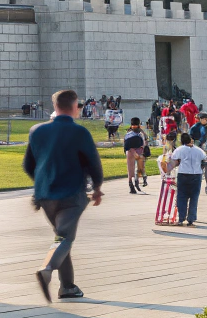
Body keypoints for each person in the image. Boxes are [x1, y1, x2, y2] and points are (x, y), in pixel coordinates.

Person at [24, 89, 104, 302]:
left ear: (55, 106)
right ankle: (47, 268)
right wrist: (97, 188)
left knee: (61, 237)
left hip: (45, 196)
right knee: (65, 237)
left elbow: (29, 165)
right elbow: (93, 162)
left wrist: (42, 184)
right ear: (75, 106)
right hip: (71, 193)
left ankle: (68, 286)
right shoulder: (79, 132)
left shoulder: (36, 131)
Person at [167, 131, 206, 225]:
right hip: (196, 175)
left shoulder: (180, 149)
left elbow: (173, 160)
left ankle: (181, 218)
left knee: (181, 196)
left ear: (182, 141)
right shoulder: (199, 150)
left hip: (183, 174)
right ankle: (191, 219)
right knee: (194, 197)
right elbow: (204, 159)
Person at [123, 118, 149, 193]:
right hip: (134, 151)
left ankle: (135, 183)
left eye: (135, 125)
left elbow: (126, 145)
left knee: (136, 168)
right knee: (133, 169)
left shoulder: (133, 133)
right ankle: (132, 184)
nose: (134, 126)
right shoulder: (137, 133)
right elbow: (144, 142)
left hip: (134, 151)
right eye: (133, 125)